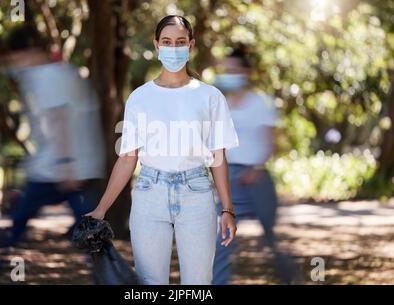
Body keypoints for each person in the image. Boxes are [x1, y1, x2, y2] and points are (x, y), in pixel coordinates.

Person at [86, 15, 239, 285]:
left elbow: (218, 157)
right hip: (149, 194)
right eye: (167, 42)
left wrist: (228, 209)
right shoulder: (140, 98)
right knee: (149, 285)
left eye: (180, 42)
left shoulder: (210, 96)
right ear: (156, 45)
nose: (173, 47)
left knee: (198, 285)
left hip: (197, 194)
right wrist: (101, 208)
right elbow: (127, 158)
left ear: (191, 45)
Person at [0, 25, 106, 246]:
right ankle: (112, 276)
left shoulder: (45, 75)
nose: (15, 65)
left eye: (17, 58)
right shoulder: (62, 71)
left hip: (58, 170)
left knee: (19, 221)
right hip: (77, 166)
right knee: (91, 234)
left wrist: (66, 164)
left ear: (31, 53)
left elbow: (59, 120)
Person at [213, 47, 296, 284]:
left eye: (234, 70)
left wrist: (256, 168)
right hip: (230, 179)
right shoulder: (221, 104)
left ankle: (291, 278)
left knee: (270, 237)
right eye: (226, 70)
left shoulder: (260, 102)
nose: (229, 74)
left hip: (257, 179)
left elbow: (270, 143)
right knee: (223, 242)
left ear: (247, 73)